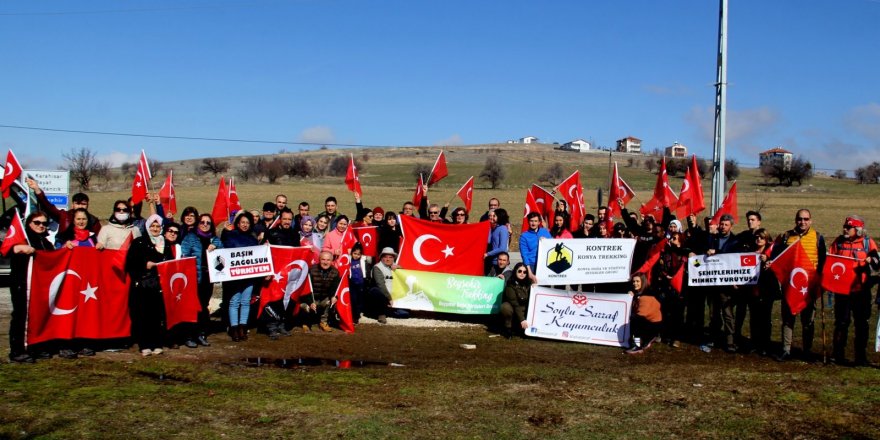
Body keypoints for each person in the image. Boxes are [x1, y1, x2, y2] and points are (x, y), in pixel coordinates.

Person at [771, 208, 826, 361]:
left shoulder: (818, 238)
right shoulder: (786, 236)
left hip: (809, 287)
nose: (803, 222)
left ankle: (806, 351)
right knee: (788, 320)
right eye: (800, 219)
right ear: (796, 220)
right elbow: (775, 256)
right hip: (790, 286)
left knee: (808, 321)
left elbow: (823, 263)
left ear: (811, 220)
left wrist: (820, 283)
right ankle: (786, 350)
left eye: (806, 219)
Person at [829, 216, 879, 366]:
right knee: (841, 323)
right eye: (844, 226)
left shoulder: (867, 243)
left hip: (861, 290)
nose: (845, 229)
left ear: (857, 230)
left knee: (862, 323)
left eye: (848, 227)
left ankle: (861, 356)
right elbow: (830, 259)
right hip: (842, 291)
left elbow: (877, 263)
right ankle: (838, 355)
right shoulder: (838, 242)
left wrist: (872, 260)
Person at [6, 211, 55, 363]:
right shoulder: (22, 239)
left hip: (40, 286)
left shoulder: (46, 243)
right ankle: (17, 350)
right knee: (21, 315)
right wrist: (18, 249)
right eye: (37, 223)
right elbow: (6, 250)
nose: (41, 226)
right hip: (22, 284)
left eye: (44, 223)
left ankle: (36, 346)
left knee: (38, 315)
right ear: (29, 224)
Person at [126, 215, 174, 357]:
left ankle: (157, 343)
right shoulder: (138, 242)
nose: (155, 229)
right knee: (143, 315)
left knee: (157, 315)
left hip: (160, 285)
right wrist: (144, 265)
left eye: (157, 226)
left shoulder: (165, 243)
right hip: (143, 284)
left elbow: (170, 261)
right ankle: (144, 344)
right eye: (152, 226)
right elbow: (130, 263)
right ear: (147, 227)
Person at [180, 213, 223, 347]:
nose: (205, 225)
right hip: (193, 276)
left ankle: (200, 333)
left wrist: (216, 246)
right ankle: (188, 335)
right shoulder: (190, 238)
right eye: (202, 222)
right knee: (192, 306)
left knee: (203, 305)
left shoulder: (214, 239)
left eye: (208, 223)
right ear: (198, 223)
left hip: (207, 276)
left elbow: (224, 251)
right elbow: (184, 255)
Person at [705, 214, 743, 353]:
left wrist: (717, 252)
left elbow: (732, 257)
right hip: (712, 282)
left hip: (726, 285)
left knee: (727, 313)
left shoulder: (735, 241)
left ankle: (730, 341)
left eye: (726, 225)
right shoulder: (713, 238)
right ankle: (713, 338)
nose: (723, 227)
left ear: (731, 226)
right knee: (713, 313)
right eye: (721, 224)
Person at [220, 212, 260, 342]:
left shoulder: (253, 239)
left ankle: (243, 327)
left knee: (245, 301)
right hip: (234, 276)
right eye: (242, 222)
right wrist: (224, 232)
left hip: (249, 276)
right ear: (237, 223)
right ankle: (234, 328)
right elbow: (222, 250)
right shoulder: (230, 236)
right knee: (234, 301)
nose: (245, 225)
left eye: (247, 223)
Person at [26, 178, 101, 236]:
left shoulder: (93, 220)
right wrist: (37, 189)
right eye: (77, 203)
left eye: (83, 204)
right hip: (63, 246)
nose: (80, 206)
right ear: (73, 205)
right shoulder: (64, 215)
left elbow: (99, 239)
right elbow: (48, 206)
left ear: (87, 205)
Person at [750, 228, 778, 356]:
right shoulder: (750, 252)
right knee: (754, 317)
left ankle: (765, 344)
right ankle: (755, 343)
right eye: (757, 237)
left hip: (767, 290)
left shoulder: (771, 253)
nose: (759, 239)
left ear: (766, 239)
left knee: (765, 318)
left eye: (761, 237)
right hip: (753, 289)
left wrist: (768, 262)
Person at [301, 251, 340, 332]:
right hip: (311, 298)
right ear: (319, 260)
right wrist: (310, 302)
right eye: (323, 259)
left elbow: (335, 288)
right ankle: (306, 323)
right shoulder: (311, 270)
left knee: (330, 301)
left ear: (332, 261)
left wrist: (334, 297)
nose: (325, 262)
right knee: (305, 306)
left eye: (328, 260)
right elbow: (305, 289)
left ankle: (323, 322)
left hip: (323, 298)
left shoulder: (335, 272)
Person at [627, 273, 662, 354]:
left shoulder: (646, 296)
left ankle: (637, 346)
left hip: (653, 324)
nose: (635, 283)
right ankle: (648, 338)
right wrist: (631, 297)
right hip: (649, 322)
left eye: (637, 281)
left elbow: (640, 315)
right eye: (633, 281)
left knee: (635, 320)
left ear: (643, 282)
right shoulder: (638, 293)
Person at [499, 262, 533, 338]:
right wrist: (522, 320)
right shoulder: (510, 284)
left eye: (525, 272)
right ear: (515, 271)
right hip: (515, 309)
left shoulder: (529, 283)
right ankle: (508, 328)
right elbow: (515, 304)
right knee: (505, 307)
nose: (522, 273)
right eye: (519, 271)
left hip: (525, 309)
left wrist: (535, 287)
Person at [368, 247, 398, 324]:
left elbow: (407, 275)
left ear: (393, 258)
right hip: (383, 297)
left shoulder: (395, 266)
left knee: (404, 314)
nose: (388, 259)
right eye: (385, 257)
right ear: (381, 258)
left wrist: (399, 267)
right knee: (375, 291)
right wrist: (389, 298)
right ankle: (381, 313)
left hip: (394, 296)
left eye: (390, 257)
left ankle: (388, 310)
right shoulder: (377, 267)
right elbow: (380, 285)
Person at [520, 212, 551, 283]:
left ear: (539, 222)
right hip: (532, 265)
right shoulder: (524, 236)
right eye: (531, 221)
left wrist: (547, 241)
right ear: (528, 221)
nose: (533, 223)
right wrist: (529, 272)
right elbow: (524, 255)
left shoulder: (545, 232)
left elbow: (552, 245)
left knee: (545, 287)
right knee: (532, 287)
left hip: (545, 264)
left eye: (535, 221)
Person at [484, 209, 510, 275]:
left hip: (499, 261)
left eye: (494, 216)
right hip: (493, 260)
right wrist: (489, 227)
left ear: (499, 217)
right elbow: (488, 241)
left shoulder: (503, 229)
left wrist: (488, 254)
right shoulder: (495, 228)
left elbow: (502, 248)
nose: (492, 217)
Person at [349, 244, 369, 324]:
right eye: (355, 253)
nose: (356, 256)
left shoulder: (363, 260)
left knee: (359, 299)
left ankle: (357, 313)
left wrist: (366, 279)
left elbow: (366, 270)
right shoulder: (349, 260)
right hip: (352, 282)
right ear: (351, 253)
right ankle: (355, 316)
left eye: (358, 254)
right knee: (353, 299)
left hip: (360, 282)